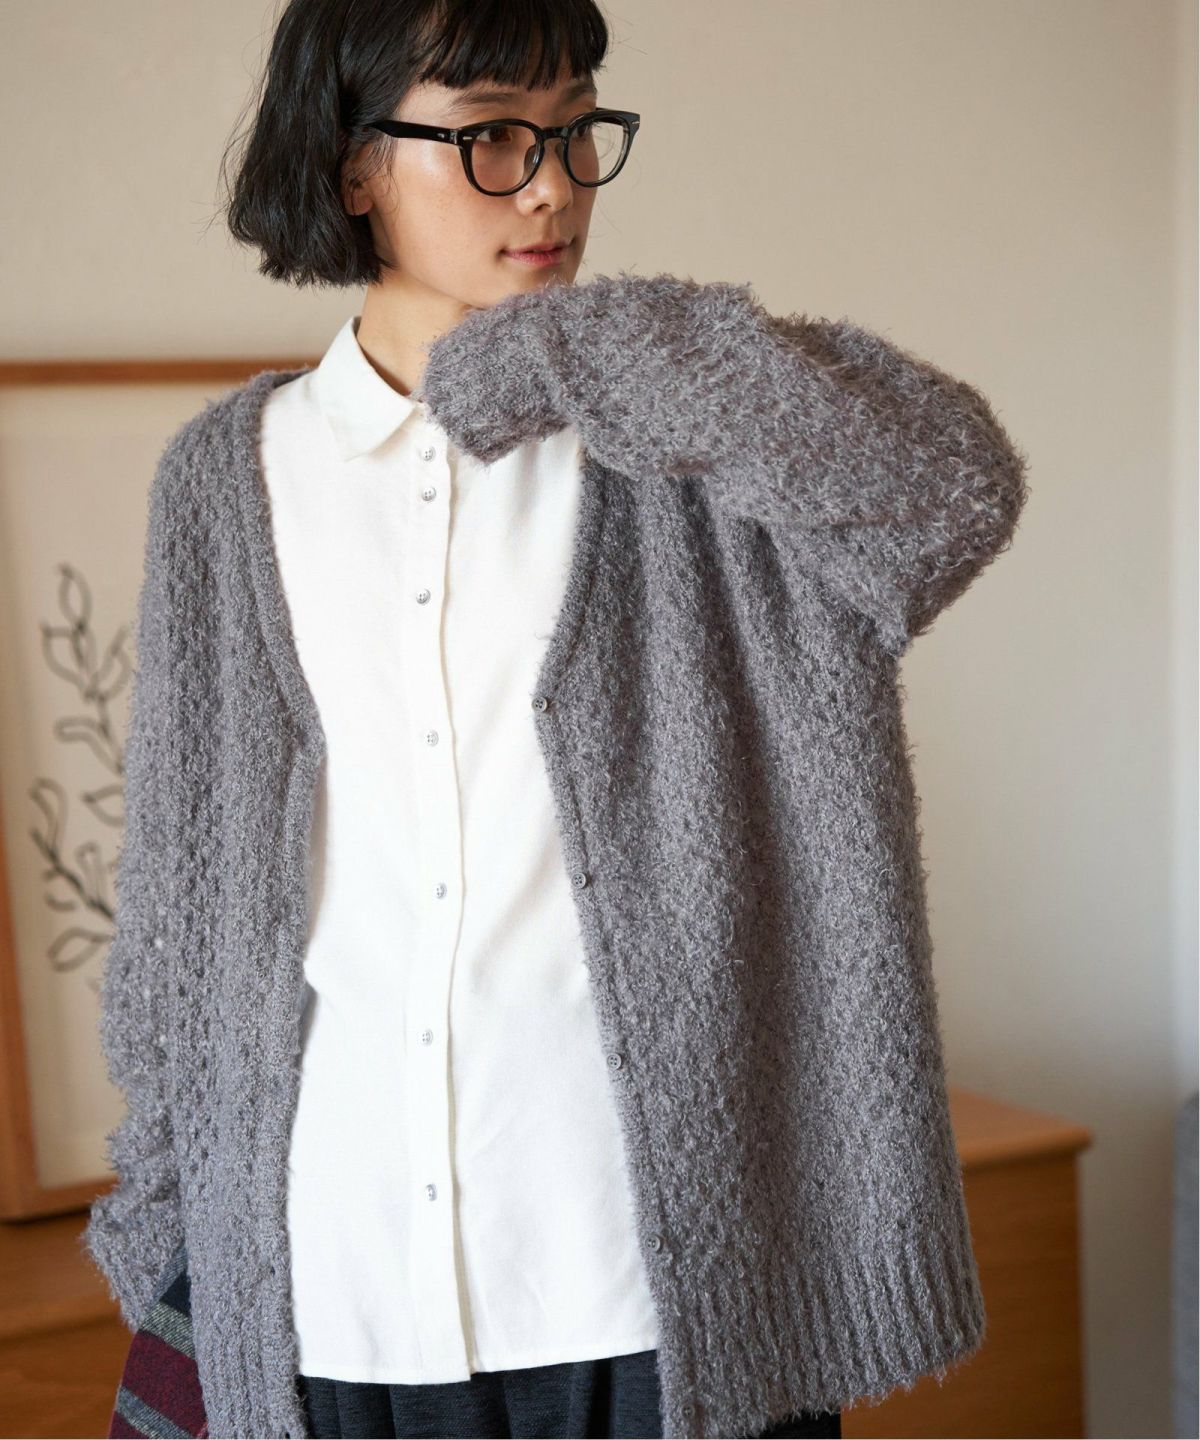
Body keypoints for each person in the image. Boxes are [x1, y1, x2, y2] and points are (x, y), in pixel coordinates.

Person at [85, 1, 1030, 1437]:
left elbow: (955, 489)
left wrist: (605, 350)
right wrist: (168, 1214)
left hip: (656, 1294)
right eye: (490, 137)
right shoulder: (227, 482)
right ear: (352, 165)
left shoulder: (686, 443)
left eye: (576, 130)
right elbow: (180, 889)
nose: (550, 185)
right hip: (337, 1285)